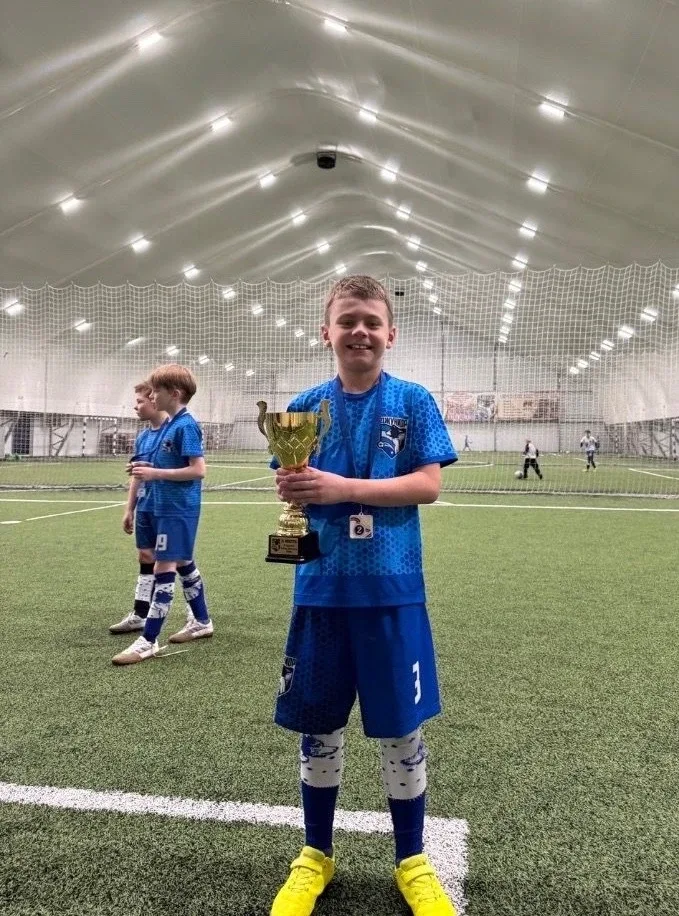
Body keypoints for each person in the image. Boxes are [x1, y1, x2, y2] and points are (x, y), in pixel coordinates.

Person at [269, 276, 459, 916]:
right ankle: (315, 855)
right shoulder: (303, 407)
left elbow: (428, 485)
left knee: (401, 730)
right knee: (319, 726)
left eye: (371, 322)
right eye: (348, 320)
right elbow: (292, 486)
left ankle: (413, 860)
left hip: (392, 590)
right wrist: (295, 491)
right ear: (326, 332)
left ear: (390, 334)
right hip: (321, 590)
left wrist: (341, 488)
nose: (360, 331)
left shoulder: (413, 399)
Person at [112, 364, 213, 665]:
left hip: (177, 508)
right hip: (157, 505)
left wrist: (155, 473)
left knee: (164, 566)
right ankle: (202, 621)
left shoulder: (185, 425)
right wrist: (144, 472)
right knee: (180, 561)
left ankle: (148, 640)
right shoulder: (166, 427)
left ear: (175, 393)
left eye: (156, 391)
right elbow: (159, 468)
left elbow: (198, 470)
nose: (152, 395)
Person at [109, 381, 167, 635]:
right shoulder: (143, 437)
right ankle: (140, 614)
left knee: (178, 561)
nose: (136, 406)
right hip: (145, 506)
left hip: (168, 507)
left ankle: (197, 613)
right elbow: (137, 476)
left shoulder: (174, 430)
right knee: (145, 556)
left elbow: (192, 471)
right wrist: (129, 509)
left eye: (140, 401)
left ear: (155, 400)